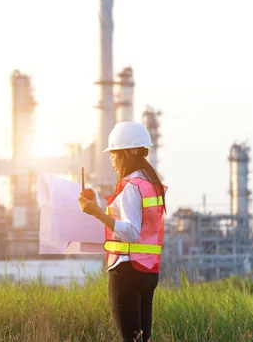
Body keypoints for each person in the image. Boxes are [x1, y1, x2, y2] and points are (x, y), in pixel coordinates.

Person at [78, 121, 167, 342]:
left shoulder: (130, 187)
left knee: (130, 340)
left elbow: (131, 231)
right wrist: (96, 205)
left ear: (125, 154)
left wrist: (97, 213)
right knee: (142, 340)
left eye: (113, 155)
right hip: (148, 270)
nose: (111, 161)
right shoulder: (149, 185)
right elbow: (132, 221)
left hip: (127, 271)